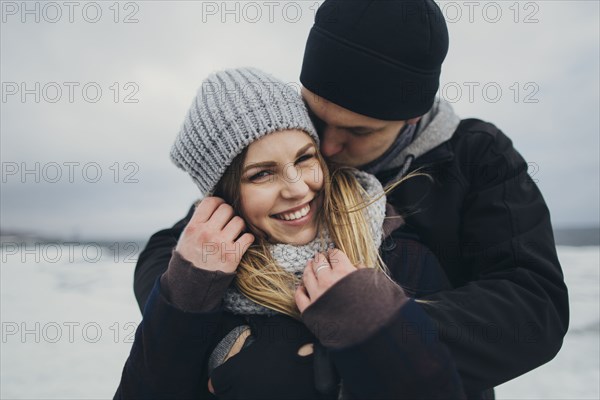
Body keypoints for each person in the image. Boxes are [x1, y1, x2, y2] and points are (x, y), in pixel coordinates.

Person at [133, 0, 569, 399]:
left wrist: (377, 333)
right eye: (318, 119)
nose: (328, 147)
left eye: (359, 131)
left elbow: (535, 310)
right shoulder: (293, 147)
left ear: (410, 117)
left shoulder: (479, 156)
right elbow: (175, 251)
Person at [114, 67, 466, 399]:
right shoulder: (207, 286)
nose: (297, 189)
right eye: (262, 174)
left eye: (304, 158)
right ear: (225, 196)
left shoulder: (400, 252)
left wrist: (373, 325)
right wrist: (184, 294)